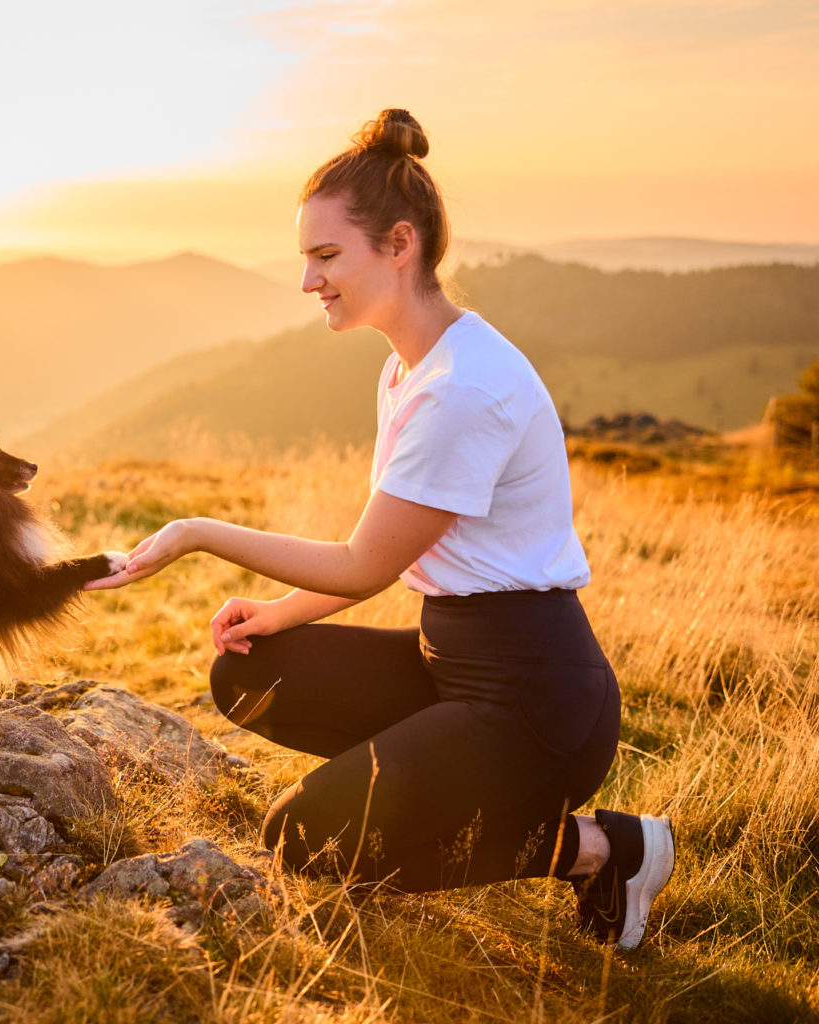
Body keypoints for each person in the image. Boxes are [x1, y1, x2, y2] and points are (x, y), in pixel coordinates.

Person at [84, 108, 674, 950]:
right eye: (306, 258)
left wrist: (195, 532)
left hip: (537, 707)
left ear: (400, 245)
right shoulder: (410, 367)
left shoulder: (461, 389)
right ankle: (464, 795)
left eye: (326, 257)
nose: (308, 280)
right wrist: (274, 616)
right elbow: (396, 555)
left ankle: (605, 848)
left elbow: (362, 565)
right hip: (451, 664)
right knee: (246, 673)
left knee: (301, 837)